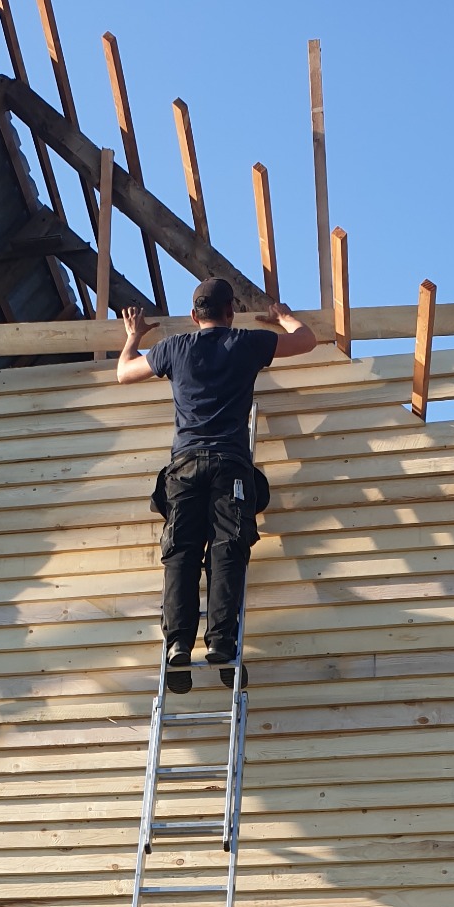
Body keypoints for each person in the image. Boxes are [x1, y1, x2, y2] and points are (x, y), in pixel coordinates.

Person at [116, 278, 320, 690]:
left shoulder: (173, 349)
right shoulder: (246, 342)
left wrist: (133, 336)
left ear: (194, 317)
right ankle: (223, 641)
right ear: (230, 312)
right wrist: (284, 317)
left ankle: (177, 645)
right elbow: (307, 341)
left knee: (182, 552)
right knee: (229, 546)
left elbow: (124, 372)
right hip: (230, 464)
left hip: (185, 466)